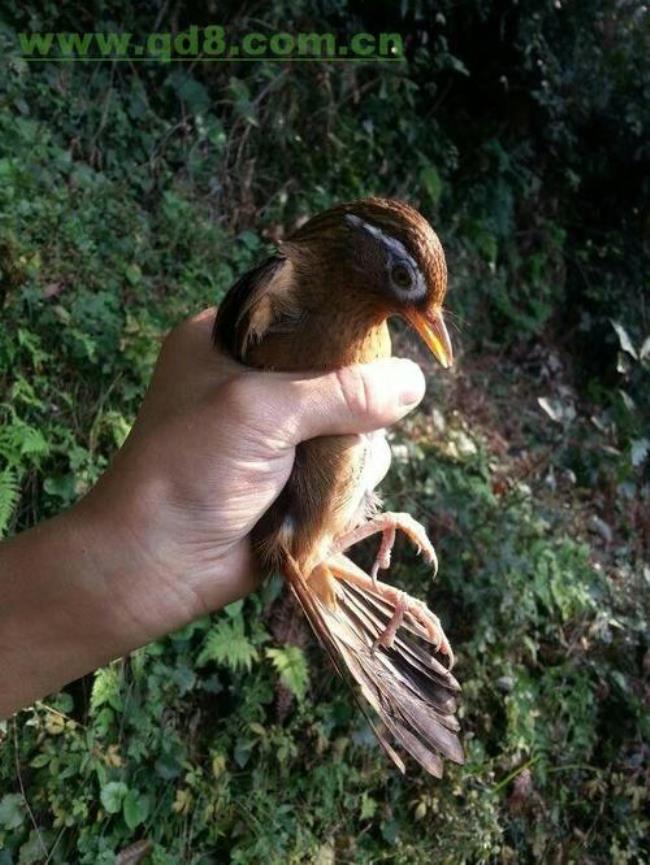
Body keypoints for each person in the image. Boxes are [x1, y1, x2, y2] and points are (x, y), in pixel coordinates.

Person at [0, 308, 426, 718]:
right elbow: (297, 549)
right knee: (308, 540)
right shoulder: (310, 321)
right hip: (291, 530)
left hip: (297, 529)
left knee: (314, 535)